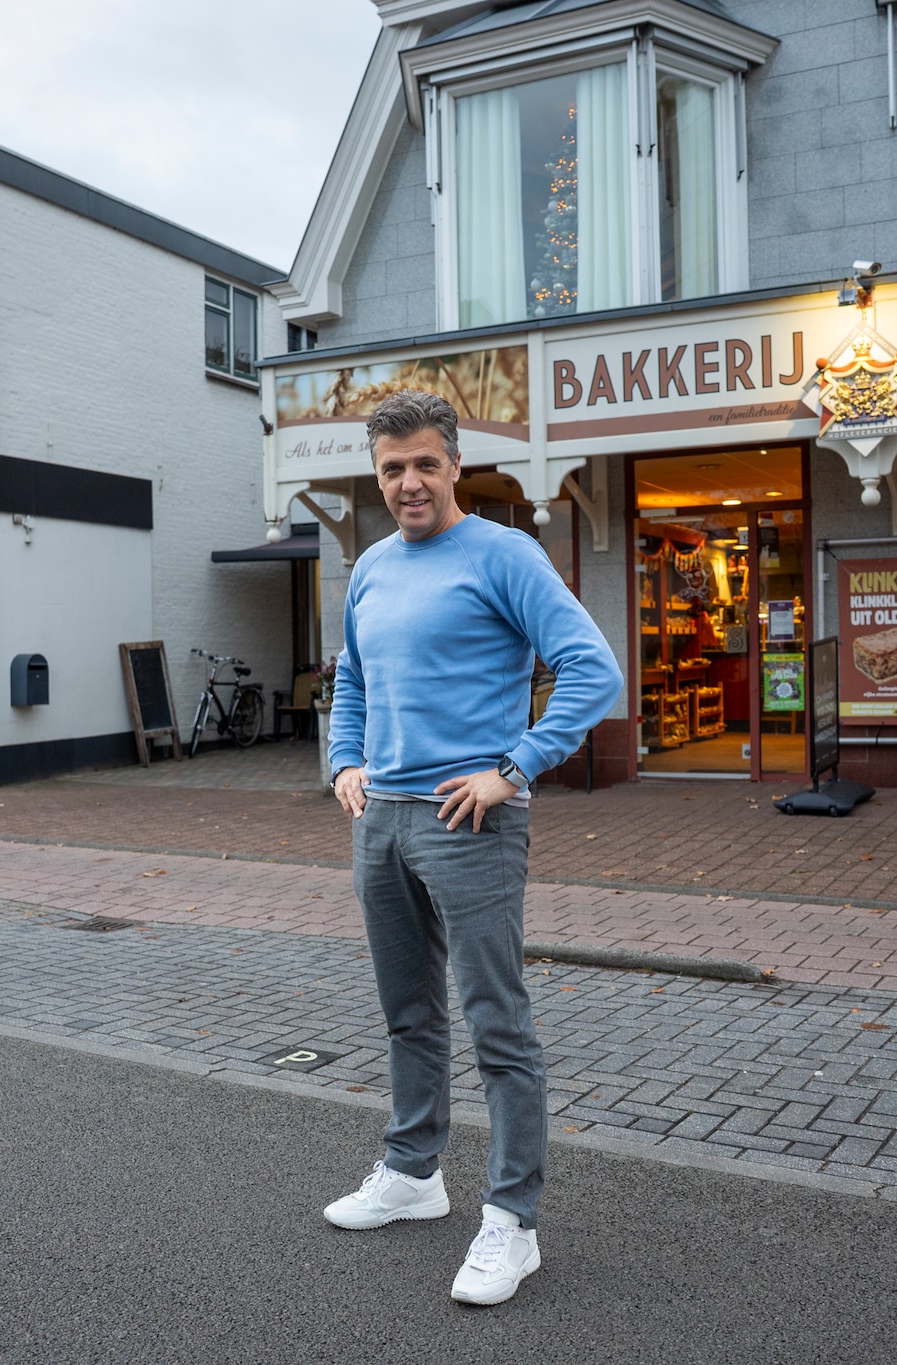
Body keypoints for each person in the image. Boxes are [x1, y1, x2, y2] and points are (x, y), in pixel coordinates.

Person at [323, 389, 622, 1307]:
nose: (408, 482)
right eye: (391, 469)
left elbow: (593, 668)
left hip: (470, 821)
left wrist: (515, 766)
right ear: (377, 477)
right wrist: (344, 759)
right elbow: (355, 675)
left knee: (497, 1022)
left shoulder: (504, 553)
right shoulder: (371, 566)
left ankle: (512, 1221)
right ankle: (415, 1172)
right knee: (408, 1011)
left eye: (423, 463)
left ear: (455, 463)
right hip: (385, 819)